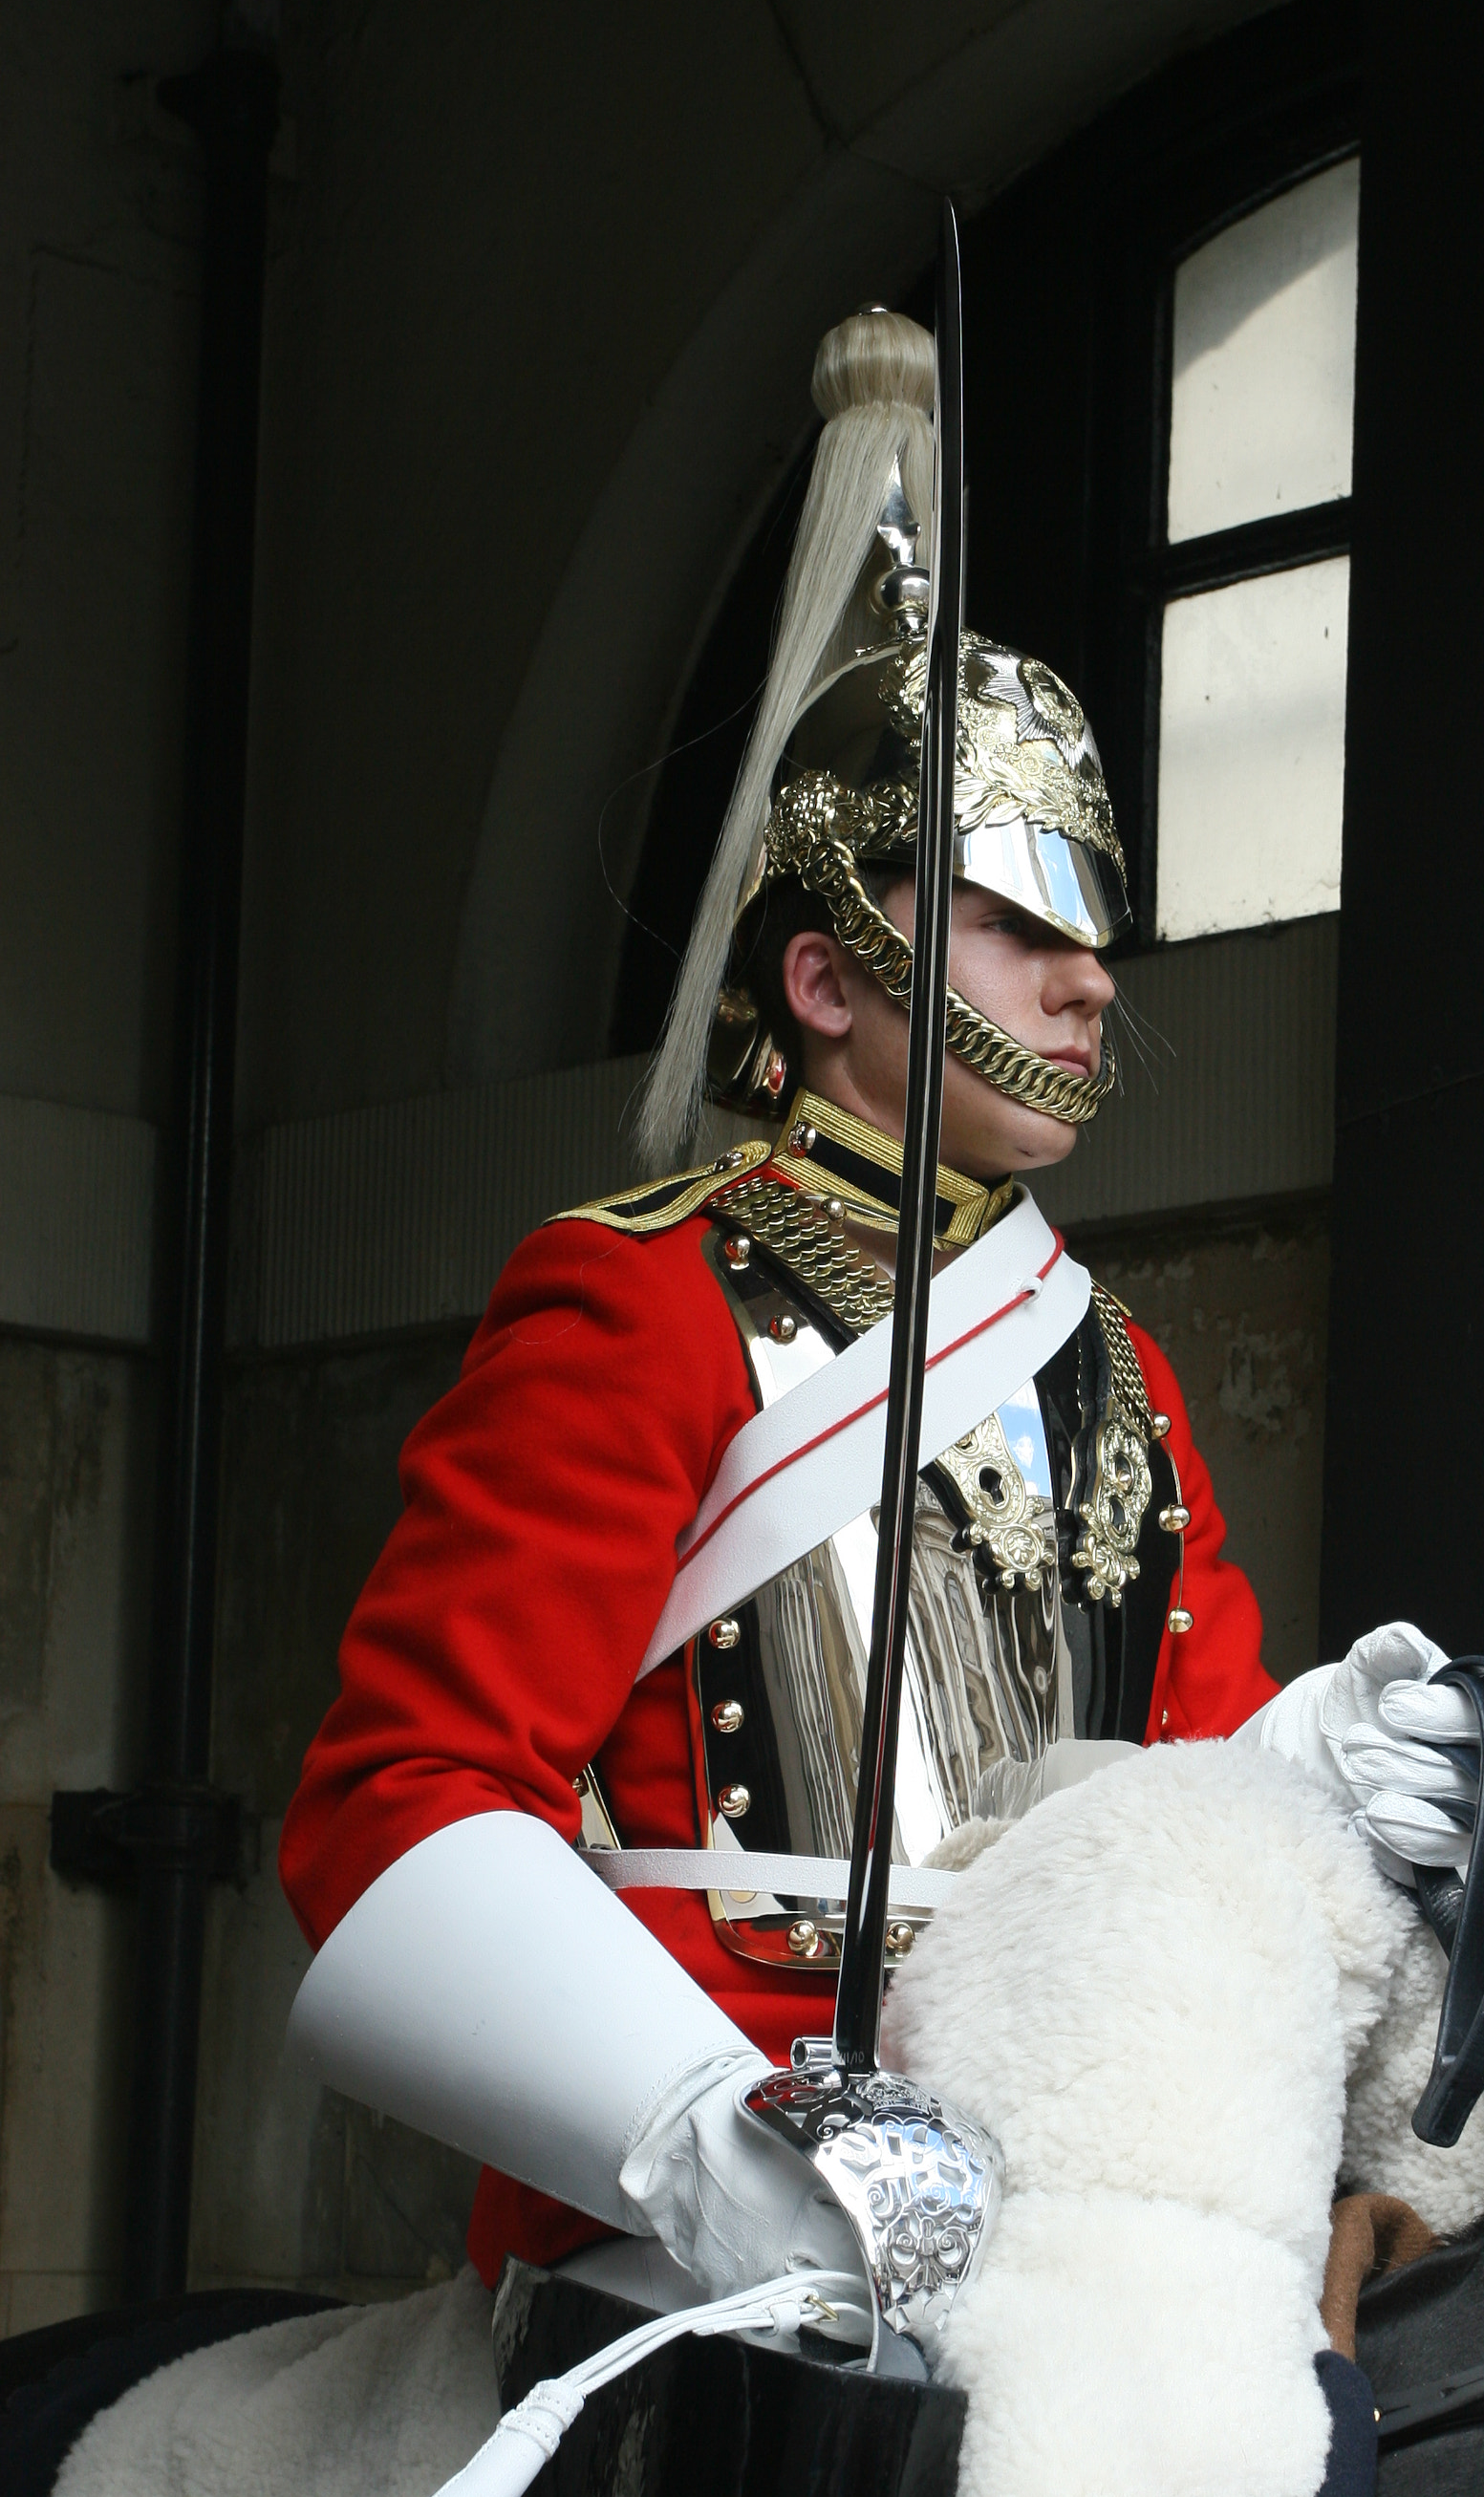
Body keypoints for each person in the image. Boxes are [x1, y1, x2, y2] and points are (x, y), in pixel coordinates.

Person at [279, 308, 1300, 2316]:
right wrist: (703, 2137)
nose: (1092, 987)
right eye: (1015, 930)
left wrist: (1351, 1777)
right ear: (827, 983)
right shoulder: (641, 1294)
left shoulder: (1116, 1366)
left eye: (1095, 940)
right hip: (715, 2199)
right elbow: (401, 1805)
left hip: (1080, 2173)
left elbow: (1198, 1785)